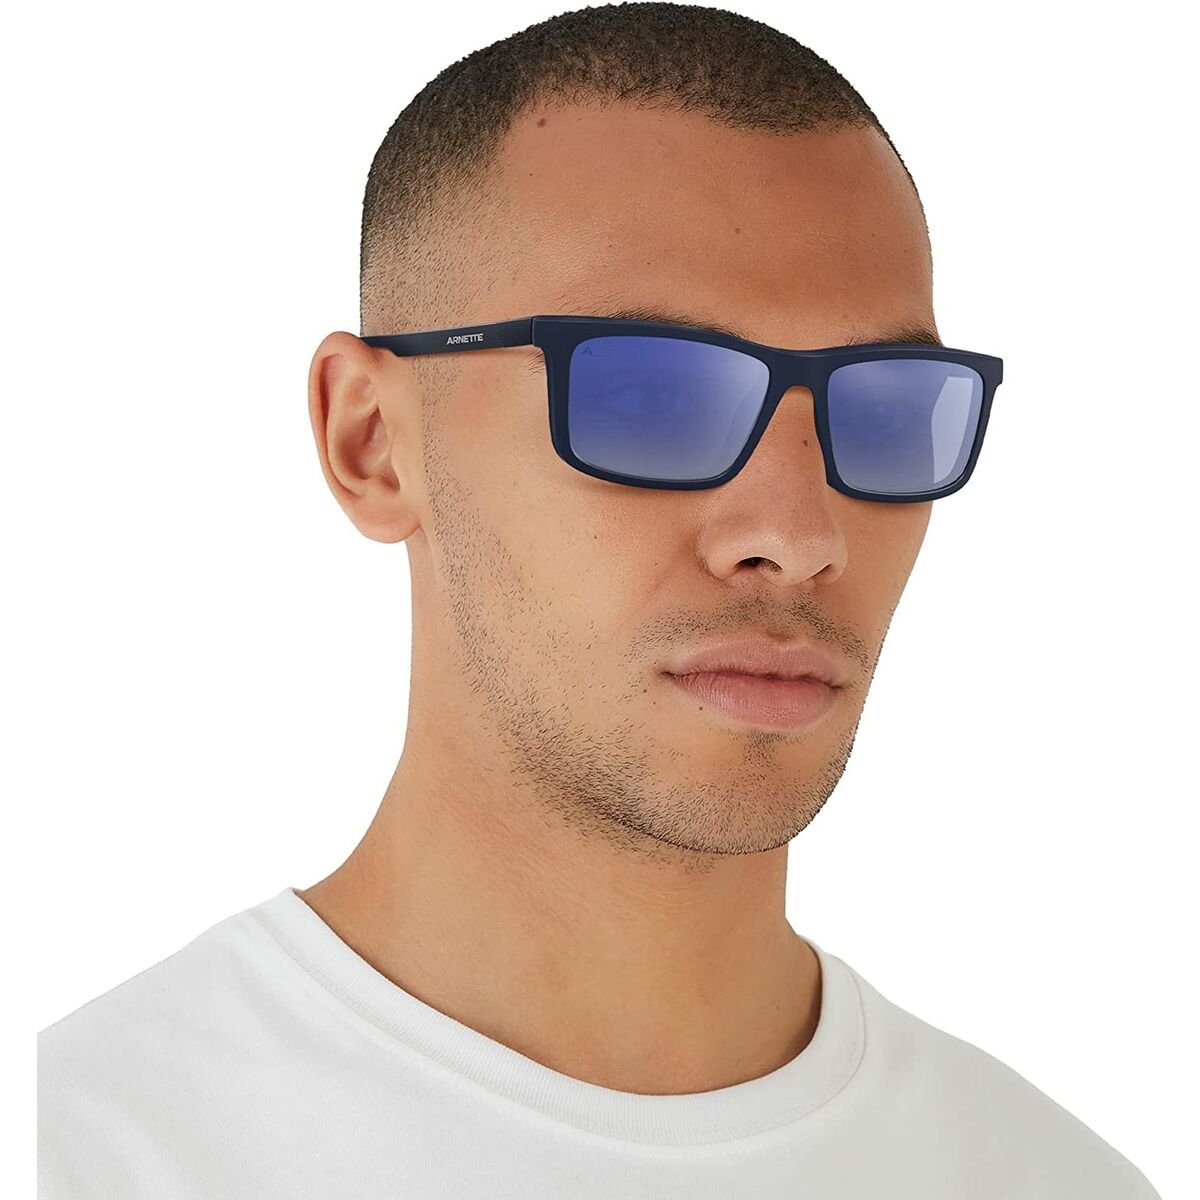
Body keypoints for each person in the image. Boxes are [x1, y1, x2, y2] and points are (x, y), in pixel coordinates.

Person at [37, 3, 1160, 1197]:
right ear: (370, 442)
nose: (798, 535)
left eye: (882, 406)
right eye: (650, 396)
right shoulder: (80, 1154)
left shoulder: (1058, 1182)